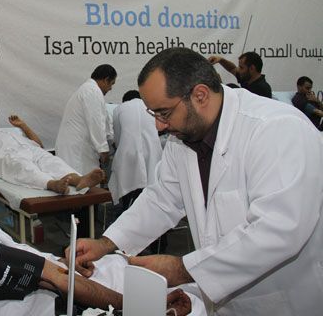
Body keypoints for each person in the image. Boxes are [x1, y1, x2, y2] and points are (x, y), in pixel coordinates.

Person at [67, 48, 323, 315]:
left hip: (285, 302)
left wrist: (183, 269)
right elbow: (162, 199)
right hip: (225, 304)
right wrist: (106, 243)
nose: (159, 126)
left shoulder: (277, 129)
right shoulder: (184, 137)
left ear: (200, 95)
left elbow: (279, 230)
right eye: (154, 114)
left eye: (164, 113)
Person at [0, 131, 193, 315]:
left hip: (52, 284)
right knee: (188, 300)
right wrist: (135, 307)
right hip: (55, 304)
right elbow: (57, 280)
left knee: (122, 265)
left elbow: (40, 269)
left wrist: (60, 261)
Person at [0, 115, 104, 194]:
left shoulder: (8, 133)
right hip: (6, 155)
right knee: (23, 167)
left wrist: (23, 126)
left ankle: (79, 180)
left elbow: (39, 145)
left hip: (31, 150)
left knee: (52, 160)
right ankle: (53, 184)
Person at [55, 64, 116, 175]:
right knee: (83, 182)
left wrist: (109, 141)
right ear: (106, 80)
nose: (111, 88)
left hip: (74, 149)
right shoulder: (92, 91)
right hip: (77, 152)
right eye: (111, 84)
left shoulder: (87, 89)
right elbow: (96, 122)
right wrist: (103, 150)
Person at [108, 90, 163, 210]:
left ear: (124, 101)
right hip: (153, 151)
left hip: (128, 153)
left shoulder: (119, 109)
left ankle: (127, 209)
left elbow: (118, 137)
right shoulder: (151, 107)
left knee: (127, 184)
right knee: (151, 183)